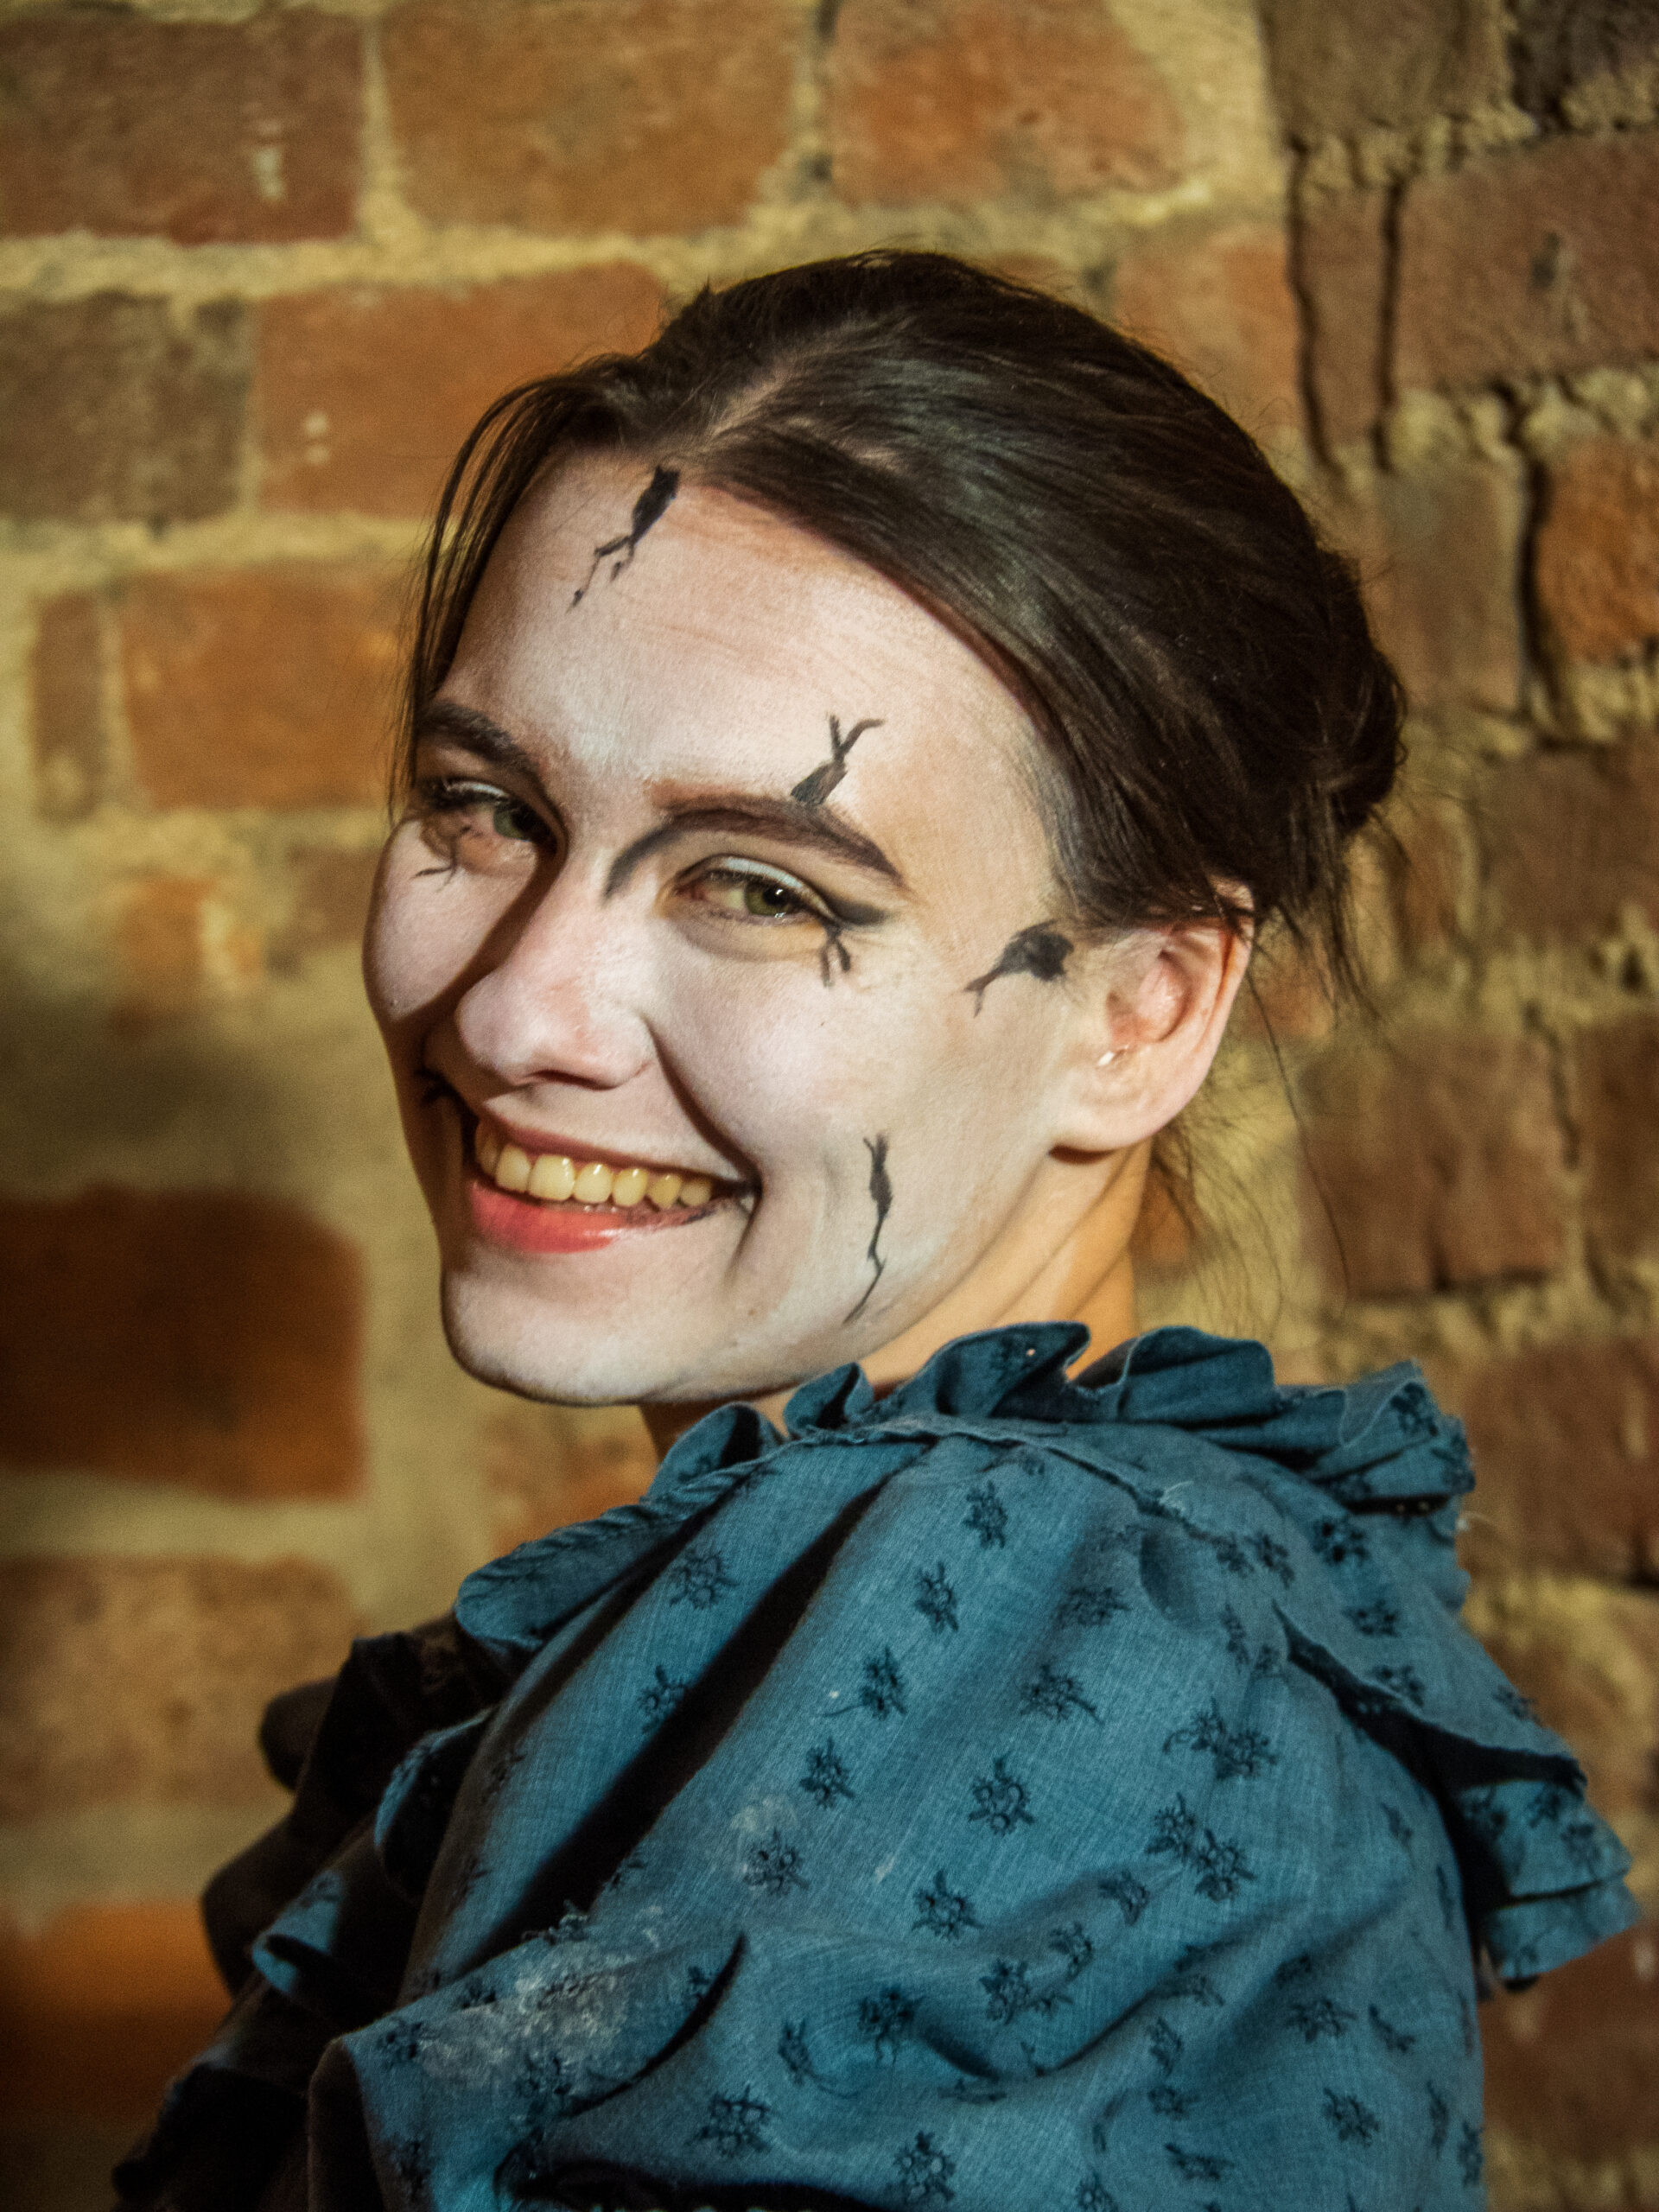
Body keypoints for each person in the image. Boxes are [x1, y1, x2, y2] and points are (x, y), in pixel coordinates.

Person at [115, 251, 1635, 2212]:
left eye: (760, 886)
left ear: (1142, 1009)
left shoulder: (1035, 1626)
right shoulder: (919, 1601)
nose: (515, 1012)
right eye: (484, 806)